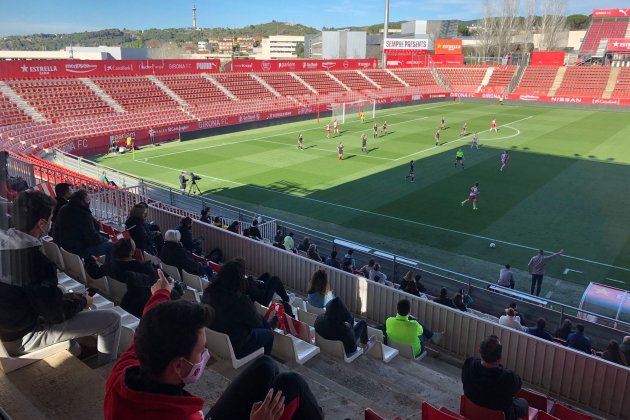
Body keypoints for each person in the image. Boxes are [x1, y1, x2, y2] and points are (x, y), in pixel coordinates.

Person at [105, 273, 323, 419]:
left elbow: (149, 326)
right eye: (200, 352)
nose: (205, 356)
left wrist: (161, 294)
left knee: (265, 366)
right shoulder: (182, 416)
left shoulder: (123, 373)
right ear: (179, 366)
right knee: (291, 382)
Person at [0, 191, 121, 366]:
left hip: (8, 326)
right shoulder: (37, 262)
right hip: (20, 338)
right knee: (112, 320)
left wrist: (61, 298)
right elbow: (56, 314)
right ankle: (108, 372)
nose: (51, 222)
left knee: (63, 293)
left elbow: (21, 292)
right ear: (41, 223)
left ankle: (76, 350)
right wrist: (83, 302)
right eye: (49, 218)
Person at [202, 260, 274, 358]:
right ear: (238, 280)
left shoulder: (208, 291)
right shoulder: (241, 300)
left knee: (261, 319)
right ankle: (265, 363)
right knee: (269, 334)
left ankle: (269, 326)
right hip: (235, 347)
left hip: (213, 340)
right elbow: (256, 323)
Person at [461, 335, 529, 420]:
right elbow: (517, 387)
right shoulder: (508, 377)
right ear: (500, 357)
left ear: (480, 351)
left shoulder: (469, 364)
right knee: (524, 403)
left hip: (471, 412)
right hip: (502, 415)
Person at [53, 189, 113, 258]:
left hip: (63, 247)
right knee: (111, 246)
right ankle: (109, 268)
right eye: (88, 200)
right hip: (77, 250)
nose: (89, 202)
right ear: (84, 200)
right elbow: (93, 238)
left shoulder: (63, 208)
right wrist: (106, 239)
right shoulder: (84, 214)